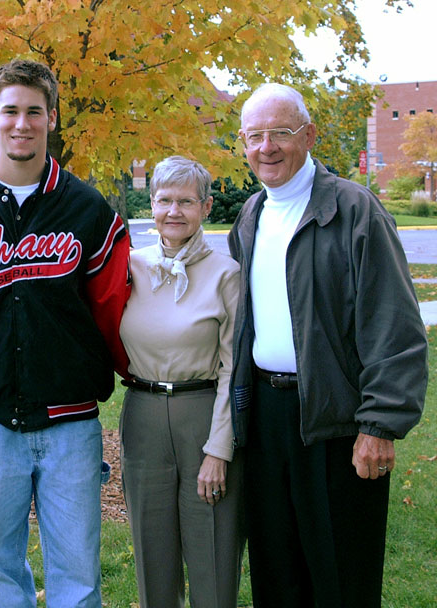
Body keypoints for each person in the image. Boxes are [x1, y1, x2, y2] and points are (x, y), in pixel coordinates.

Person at [0, 59, 130, 607]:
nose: (21, 123)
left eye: (34, 112)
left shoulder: (87, 209)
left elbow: (114, 308)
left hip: (71, 423)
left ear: (52, 118)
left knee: (78, 574)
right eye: (10, 110)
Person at [228, 83, 428, 608]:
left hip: (338, 422)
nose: (266, 146)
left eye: (281, 133)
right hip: (268, 421)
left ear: (310, 136)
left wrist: (379, 425)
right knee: (276, 572)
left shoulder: (354, 210)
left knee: (341, 576)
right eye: (254, 136)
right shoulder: (252, 215)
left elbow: (395, 324)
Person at [118, 156, 243, 608]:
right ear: (150, 203)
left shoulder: (227, 275)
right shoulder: (130, 267)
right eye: (165, 199)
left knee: (212, 550)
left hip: (203, 415)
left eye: (186, 201)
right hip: (143, 413)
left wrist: (219, 448)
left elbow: (234, 367)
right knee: (153, 553)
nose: (174, 211)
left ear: (206, 206)